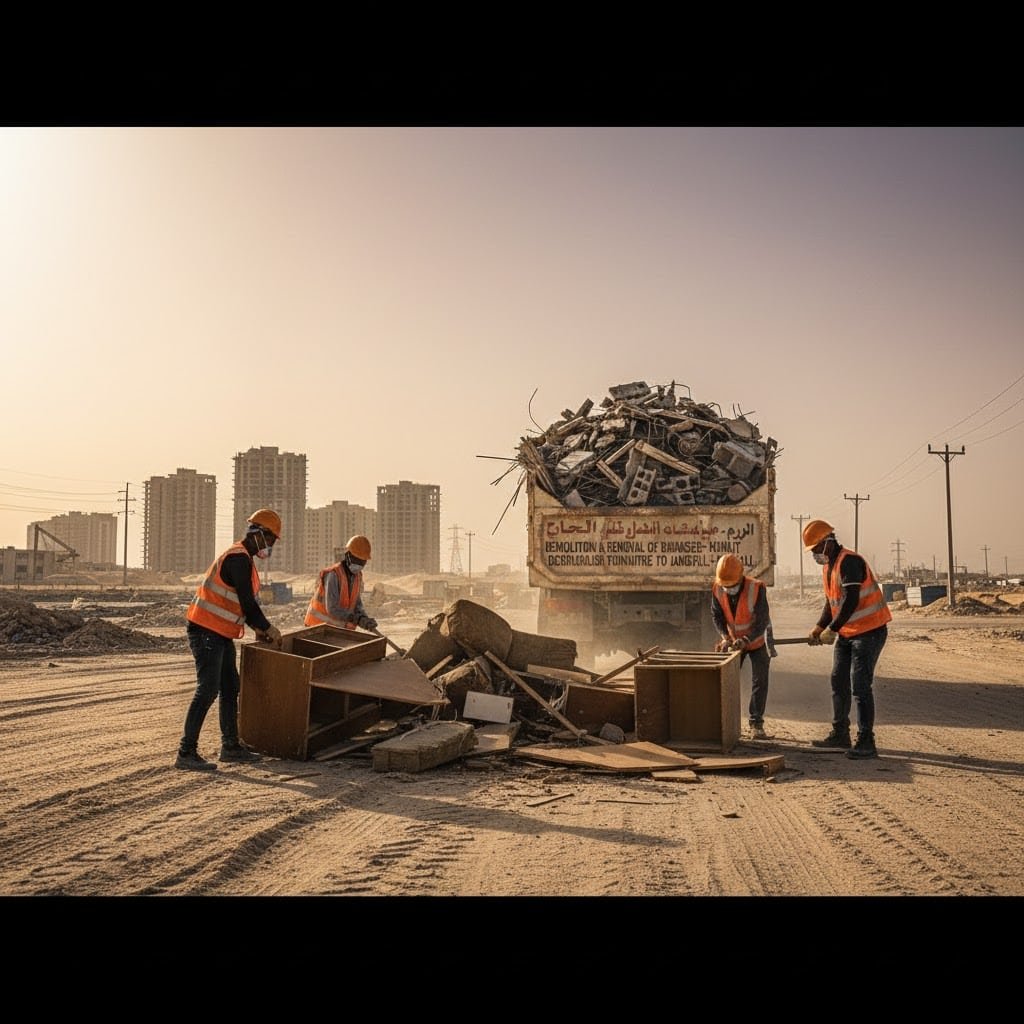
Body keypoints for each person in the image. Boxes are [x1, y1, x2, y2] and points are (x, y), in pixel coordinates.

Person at [175, 508, 284, 772]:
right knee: (208, 689)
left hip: (219, 632)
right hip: (205, 631)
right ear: (259, 534)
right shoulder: (238, 559)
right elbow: (247, 603)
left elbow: (238, 602)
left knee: (230, 686)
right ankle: (186, 752)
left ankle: (231, 747)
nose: (270, 546)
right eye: (270, 540)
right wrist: (267, 627)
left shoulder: (244, 558)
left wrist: (256, 628)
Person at [803, 518, 892, 759]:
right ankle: (840, 733)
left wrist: (832, 628)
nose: (815, 555)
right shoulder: (829, 566)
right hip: (847, 632)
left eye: (816, 550)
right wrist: (819, 626)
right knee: (838, 680)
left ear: (828, 542)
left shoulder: (850, 561)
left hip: (869, 631)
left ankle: (866, 741)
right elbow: (831, 602)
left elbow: (851, 599)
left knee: (860, 684)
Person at [711, 553, 772, 739]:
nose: (728, 589)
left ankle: (756, 723)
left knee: (759, 681)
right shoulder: (717, 589)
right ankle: (722, 723)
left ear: (741, 577)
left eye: (732, 585)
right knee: (724, 680)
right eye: (725, 585)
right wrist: (725, 637)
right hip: (733, 642)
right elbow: (717, 616)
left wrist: (746, 640)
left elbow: (762, 621)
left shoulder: (756, 588)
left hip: (756, 642)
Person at [304, 534, 378, 632]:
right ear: (348, 555)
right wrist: (357, 619)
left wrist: (364, 618)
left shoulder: (357, 577)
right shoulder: (333, 575)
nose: (359, 564)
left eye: (362, 561)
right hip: (317, 629)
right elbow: (332, 609)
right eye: (357, 560)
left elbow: (357, 604)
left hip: (335, 631)